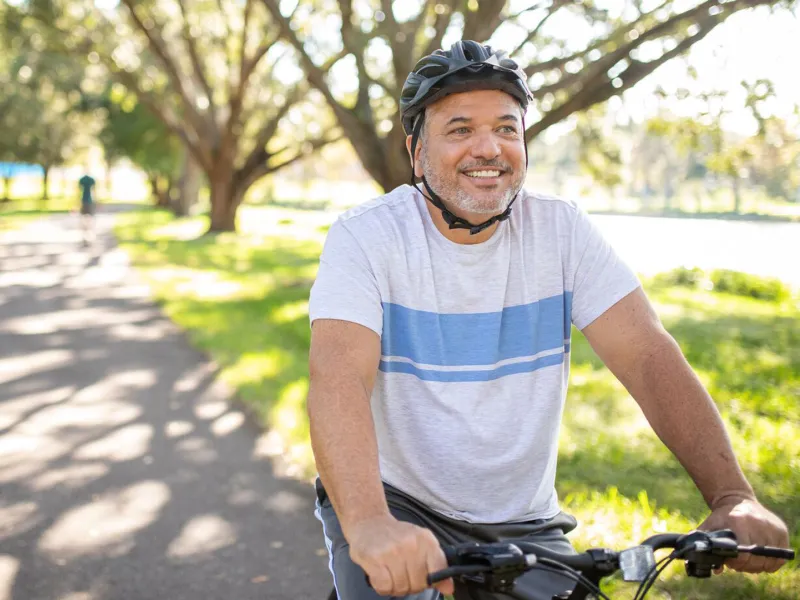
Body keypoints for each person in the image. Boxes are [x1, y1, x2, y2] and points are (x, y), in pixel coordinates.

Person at [307, 41, 790, 600]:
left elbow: (647, 357)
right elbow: (339, 374)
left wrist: (732, 495)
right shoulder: (366, 236)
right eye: (460, 129)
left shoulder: (561, 233)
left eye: (507, 129)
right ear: (417, 153)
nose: (489, 147)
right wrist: (368, 523)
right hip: (396, 504)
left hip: (527, 522)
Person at [77, 172, 96, 245]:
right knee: (86, 219)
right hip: (85, 201)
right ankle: (85, 235)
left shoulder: (86, 180)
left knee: (87, 219)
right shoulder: (86, 180)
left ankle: (87, 234)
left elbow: (94, 191)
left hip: (87, 201)